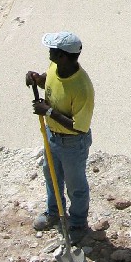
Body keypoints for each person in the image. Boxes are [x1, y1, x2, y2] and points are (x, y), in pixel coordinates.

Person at [25, 31, 94, 245]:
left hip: (72, 143)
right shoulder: (56, 68)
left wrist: (48, 112)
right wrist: (35, 79)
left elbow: (78, 128)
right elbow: (47, 81)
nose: (49, 53)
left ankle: (78, 223)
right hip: (52, 136)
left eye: (53, 50)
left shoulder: (82, 88)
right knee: (51, 175)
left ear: (64, 56)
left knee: (76, 185)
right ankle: (54, 212)